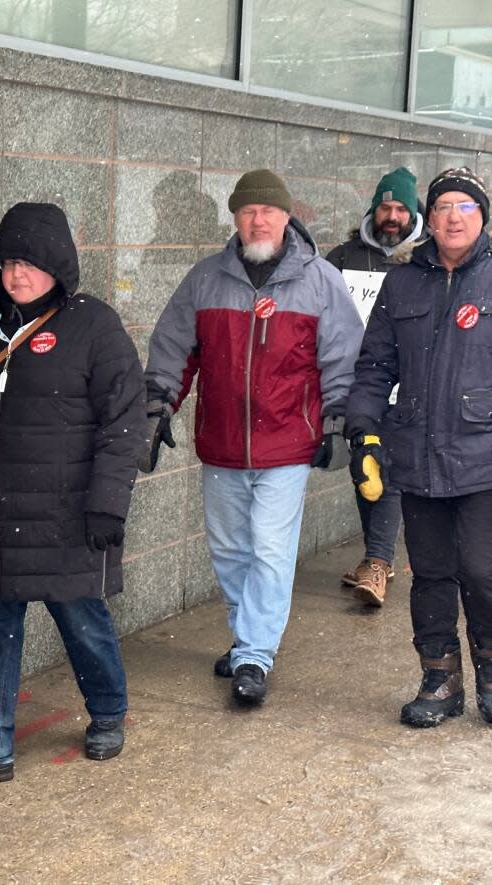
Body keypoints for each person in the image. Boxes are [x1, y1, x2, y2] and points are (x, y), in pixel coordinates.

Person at [0, 202, 144, 793]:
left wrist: (107, 504)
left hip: (66, 515)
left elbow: (124, 422)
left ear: (59, 266)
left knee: (82, 619)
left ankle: (109, 711)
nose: (18, 275)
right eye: (9, 262)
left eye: (32, 264)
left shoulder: (95, 327)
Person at [346, 167, 492, 729]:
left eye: (466, 207)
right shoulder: (403, 282)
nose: (454, 215)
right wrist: (363, 431)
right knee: (430, 574)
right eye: (444, 205)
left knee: (480, 572)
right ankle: (440, 676)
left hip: (488, 459)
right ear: (431, 217)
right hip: (417, 456)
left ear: (483, 218)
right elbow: (374, 366)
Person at [141, 169, 364, 707]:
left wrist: (338, 422)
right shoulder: (205, 279)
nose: (258, 220)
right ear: (235, 219)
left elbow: (341, 358)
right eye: (247, 212)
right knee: (230, 550)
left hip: (287, 443)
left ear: (288, 217)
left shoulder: (321, 281)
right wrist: (156, 409)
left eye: (268, 211)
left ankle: (254, 655)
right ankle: (249, 637)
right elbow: (173, 348)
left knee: (268, 547)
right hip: (222, 443)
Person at [326, 167, 427, 606]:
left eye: (401, 208)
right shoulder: (342, 257)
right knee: (363, 467)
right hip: (356, 384)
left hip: (406, 386)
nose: (392, 216)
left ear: (414, 212)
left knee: (387, 469)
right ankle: (378, 560)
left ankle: (378, 560)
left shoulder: (427, 259)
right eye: (385, 206)